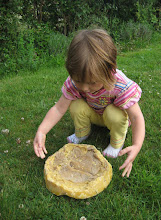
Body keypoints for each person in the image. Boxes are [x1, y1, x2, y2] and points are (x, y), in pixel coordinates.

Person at [33, 29, 145, 177]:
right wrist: (42, 131)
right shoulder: (75, 82)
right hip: (94, 112)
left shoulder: (120, 85)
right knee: (75, 104)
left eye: (92, 83)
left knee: (114, 114)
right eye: (79, 81)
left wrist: (136, 145)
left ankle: (116, 143)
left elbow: (137, 117)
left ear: (109, 71)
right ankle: (82, 132)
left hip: (114, 118)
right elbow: (59, 109)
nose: (85, 88)